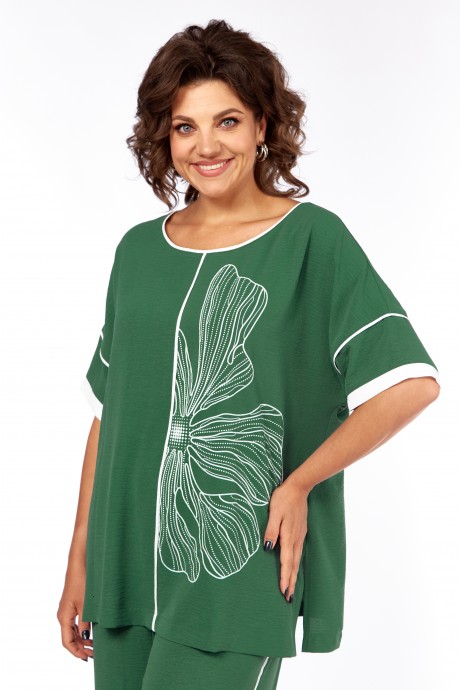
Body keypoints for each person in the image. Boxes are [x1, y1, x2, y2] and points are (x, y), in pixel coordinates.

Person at [57, 19, 441, 690]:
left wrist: (300, 483)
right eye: (185, 127)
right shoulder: (138, 251)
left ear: (263, 125)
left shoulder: (312, 240)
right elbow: (107, 414)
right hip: (123, 574)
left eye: (227, 121)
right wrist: (79, 561)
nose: (206, 146)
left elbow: (411, 382)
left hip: (235, 568)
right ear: (164, 136)